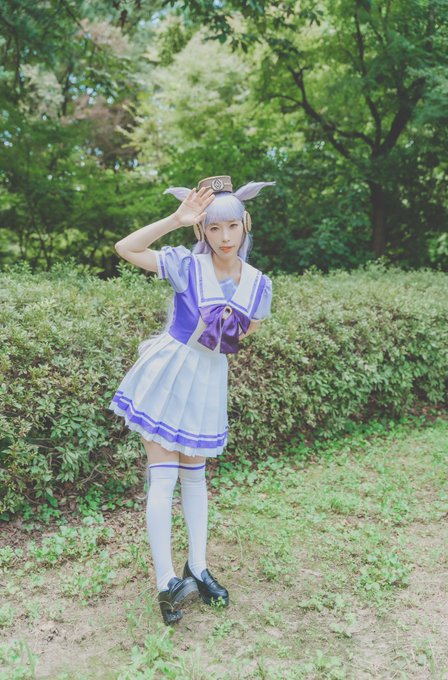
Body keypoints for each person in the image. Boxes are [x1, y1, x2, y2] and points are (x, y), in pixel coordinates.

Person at [108, 175, 274, 625]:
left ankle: (197, 567)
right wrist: (175, 220)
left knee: (195, 479)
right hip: (168, 374)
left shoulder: (259, 285)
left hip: (207, 381)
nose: (224, 237)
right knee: (163, 480)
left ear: (245, 224)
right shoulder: (186, 264)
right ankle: (166, 582)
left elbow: (241, 335)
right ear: (202, 229)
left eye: (232, 226)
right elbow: (126, 248)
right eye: (213, 227)